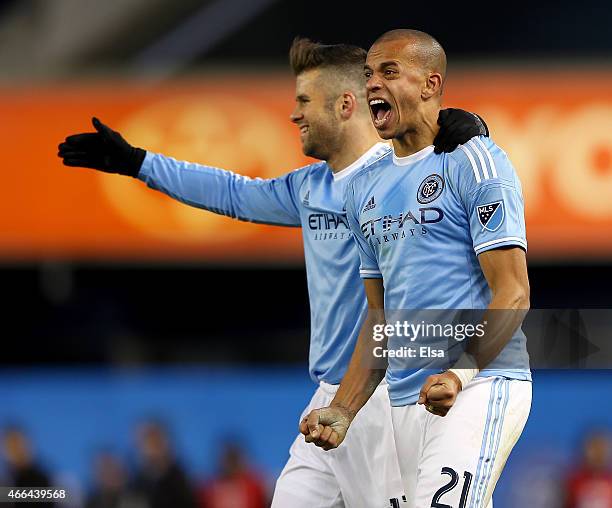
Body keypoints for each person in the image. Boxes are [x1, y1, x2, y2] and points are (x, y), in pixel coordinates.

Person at [57, 37, 487, 507]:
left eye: (304, 101)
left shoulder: (401, 174)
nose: (294, 114)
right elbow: (233, 193)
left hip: (379, 394)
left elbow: (466, 187)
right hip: (328, 398)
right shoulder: (309, 188)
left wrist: (468, 129)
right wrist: (138, 163)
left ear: (346, 105)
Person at [302, 29, 532, 508]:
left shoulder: (475, 161)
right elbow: (379, 320)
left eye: (389, 72)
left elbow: (512, 292)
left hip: (481, 384)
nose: (372, 85)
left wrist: (462, 373)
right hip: (406, 400)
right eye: (368, 75)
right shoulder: (363, 189)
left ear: (430, 85)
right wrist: (342, 409)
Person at [564, 431, 612, 508]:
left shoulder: (610, 480)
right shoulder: (573, 482)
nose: (597, 454)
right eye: (593, 448)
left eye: (601, 448)